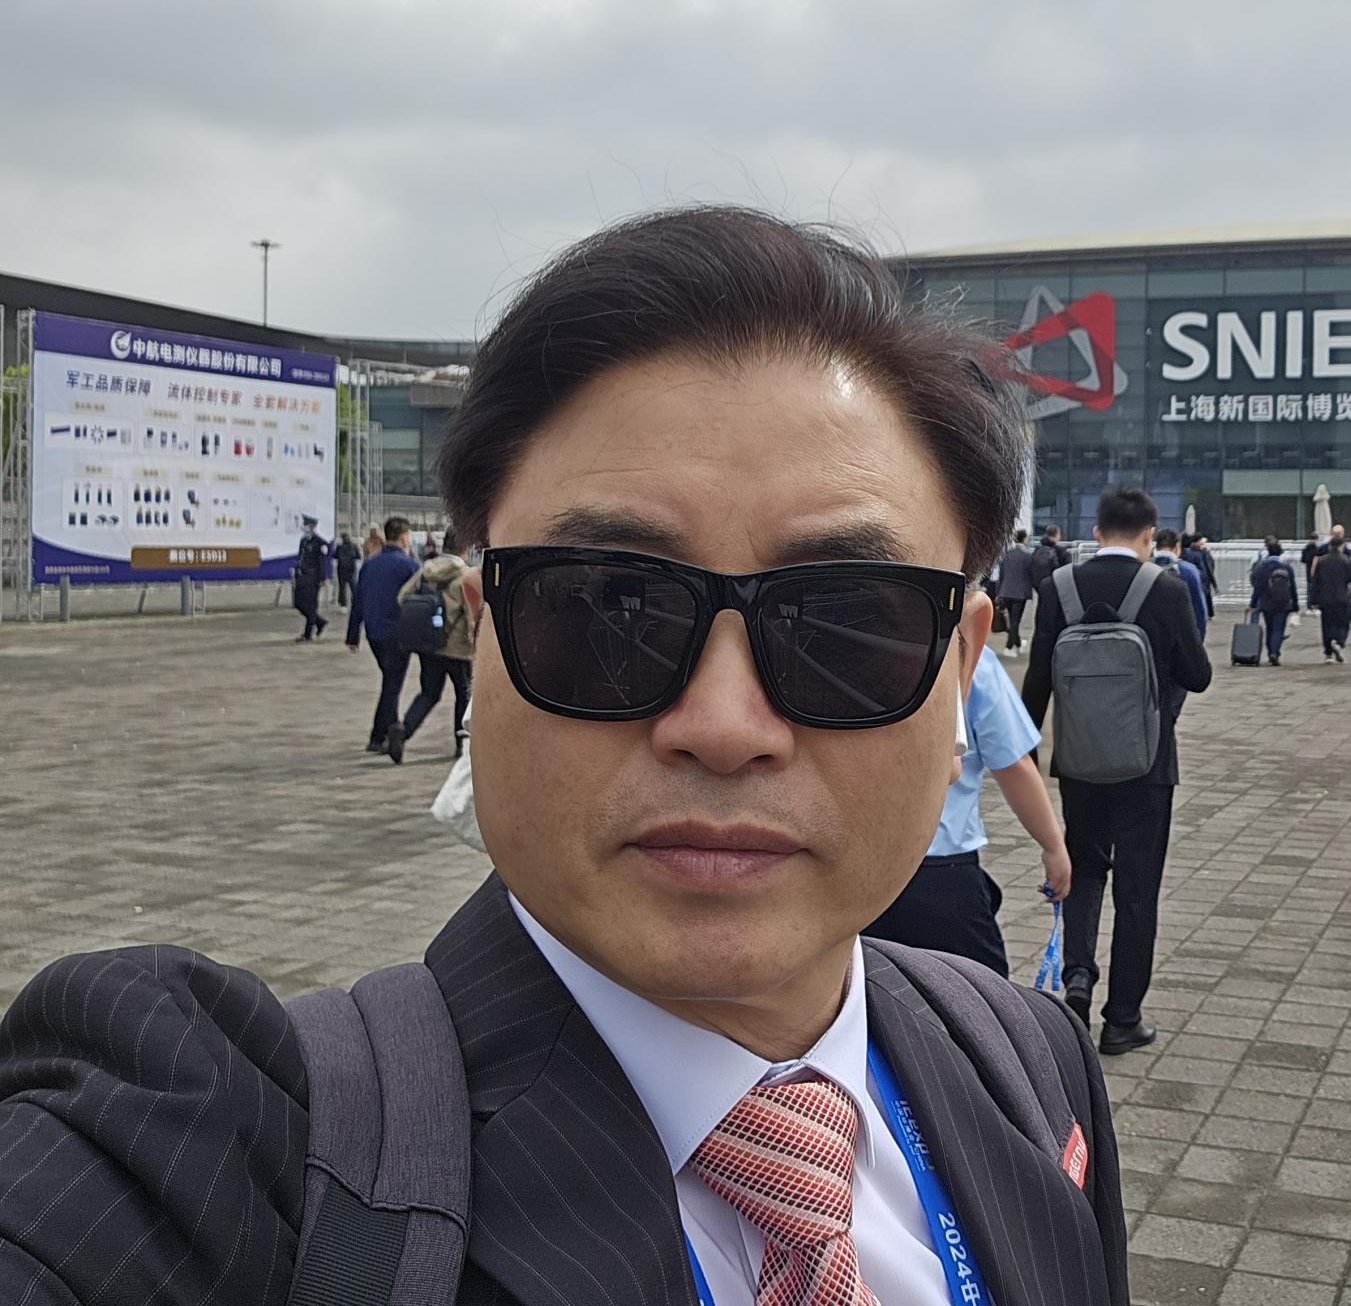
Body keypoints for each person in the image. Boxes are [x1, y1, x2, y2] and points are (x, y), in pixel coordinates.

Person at [0, 207, 1129, 1305]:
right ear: (483, 632)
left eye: (844, 625)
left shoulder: (1030, 1066)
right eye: (603, 609)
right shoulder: (220, 1136)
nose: (723, 726)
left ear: (961, 665)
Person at [1022, 485, 1212, 1056]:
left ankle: (1077, 977)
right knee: (1137, 890)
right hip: (1147, 765)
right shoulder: (1166, 587)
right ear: (1150, 535)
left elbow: (1037, 681)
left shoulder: (1059, 588)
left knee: (1084, 870)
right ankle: (1123, 1018)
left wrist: (1027, 758)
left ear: (1097, 531)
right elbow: (1198, 674)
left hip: (1079, 763)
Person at [866, 650, 1071, 974]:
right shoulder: (967, 655)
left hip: (855, 870)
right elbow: (1012, 763)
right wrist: (1053, 846)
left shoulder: (842, 645)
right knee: (980, 991)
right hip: (941, 867)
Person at [387, 528, 477, 764]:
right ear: (465, 548)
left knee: (428, 693)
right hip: (458, 649)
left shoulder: (425, 571)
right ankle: (461, 743)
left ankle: (403, 730)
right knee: (463, 695)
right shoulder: (465, 575)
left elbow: (402, 596)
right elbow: (471, 615)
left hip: (430, 645)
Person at [344, 515, 420, 753]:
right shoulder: (409, 566)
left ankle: (388, 732)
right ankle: (378, 736)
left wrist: (352, 635)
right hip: (397, 633)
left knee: (390, 681)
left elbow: (357, 601)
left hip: (374, 633)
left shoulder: (369, 564)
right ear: (404, 537)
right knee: (392, 685)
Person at [1152, 528, 1209, 640]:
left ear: (1156, 546)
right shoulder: (1189, 571)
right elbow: (1200, 612)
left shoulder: (1144, 568)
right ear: (1177, 547)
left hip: (1150, 638)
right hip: (1180, 636)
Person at [1249, 536, 1298, 665]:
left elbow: (1257, 587)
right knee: (1278, 628)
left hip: (1266, 602)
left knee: (1269, 627)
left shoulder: (1261, 568)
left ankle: (1270, 651)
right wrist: (1295, 605)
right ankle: (1274, 652)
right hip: (1283, 602)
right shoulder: (1287, 567)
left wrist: (1253, 603)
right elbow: (1293, 588)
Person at [1311, 526, 1351, 663]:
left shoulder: (1322, 561)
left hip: (1325, 598)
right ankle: (1339, 641)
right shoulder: (1346, 560)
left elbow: (1315, 581)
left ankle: (1328, 652)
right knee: (1343, 621)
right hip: (1342, 597)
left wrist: (1313, 600)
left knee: (1326, 624)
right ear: (1341, 546)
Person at [994, 528, 1035, 656]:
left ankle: (1017, 643)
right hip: (1020, 593)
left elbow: (1001, 575)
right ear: (1025, 539)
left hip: (1006, 591)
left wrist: (998, 592)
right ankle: (1009, 646)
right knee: (1015, 620)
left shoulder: (1006, 554)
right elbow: (1030, 575)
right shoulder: (1027, 556)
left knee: (1012, 619)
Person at [290, 514, 331, 641]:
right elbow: (301, 557)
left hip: (313, 577)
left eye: (307, 525)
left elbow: (322, 561)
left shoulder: (320, 542)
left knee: (311, 605)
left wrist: (322, 578)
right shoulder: (303, 541)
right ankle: (320, 622)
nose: (305, 527)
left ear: (313, 526)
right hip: (301, 576)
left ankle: (308, 634)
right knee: (298, 603)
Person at [1185, 534, 1219, 620]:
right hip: (1202, 579)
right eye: (1200, 541)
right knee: (1204, 597)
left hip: (1204, 579)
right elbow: (1209, 566)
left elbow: (1209, 565)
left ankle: (1208, 613)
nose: (1201, 543)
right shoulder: (1197, 553)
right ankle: (1207, 614)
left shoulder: (1201, 552)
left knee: (1206, 597)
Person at [331, 528, 360, 609]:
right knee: (353, 587)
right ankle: (356, 602)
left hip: (341, 569)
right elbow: (359, 556)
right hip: (351, 569)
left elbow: (335, 556)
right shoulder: (354, 546)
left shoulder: (339, 547)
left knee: (342, 588)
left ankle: (343, 605)